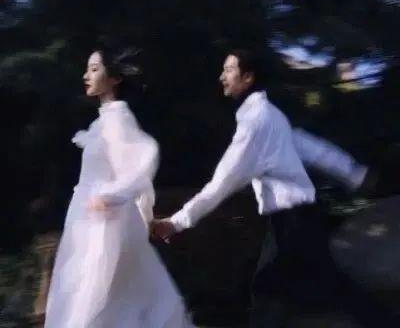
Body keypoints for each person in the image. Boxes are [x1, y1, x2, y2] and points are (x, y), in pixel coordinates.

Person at [152, 48, 318, 327]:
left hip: (293, 219)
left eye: (229, 70)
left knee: (269, 291)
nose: (222, 77)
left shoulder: (255, 123)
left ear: (248, 77)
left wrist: (175, 223)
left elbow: (221, 184)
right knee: (279, 289)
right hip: (291, 217)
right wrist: (355, 174)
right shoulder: (270, 115)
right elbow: (312, 148)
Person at [44, 43, 194, 328]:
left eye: (94, 69)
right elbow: (132, 172)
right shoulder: (104, 120)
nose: (86, 75)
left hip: (105, 224)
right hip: (90, 220)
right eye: (87, 69)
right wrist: (145, 216)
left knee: (93, 301)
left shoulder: (117, 118)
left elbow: (144, 160)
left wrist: (113, 196)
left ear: (114, 78)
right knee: (103, 298)